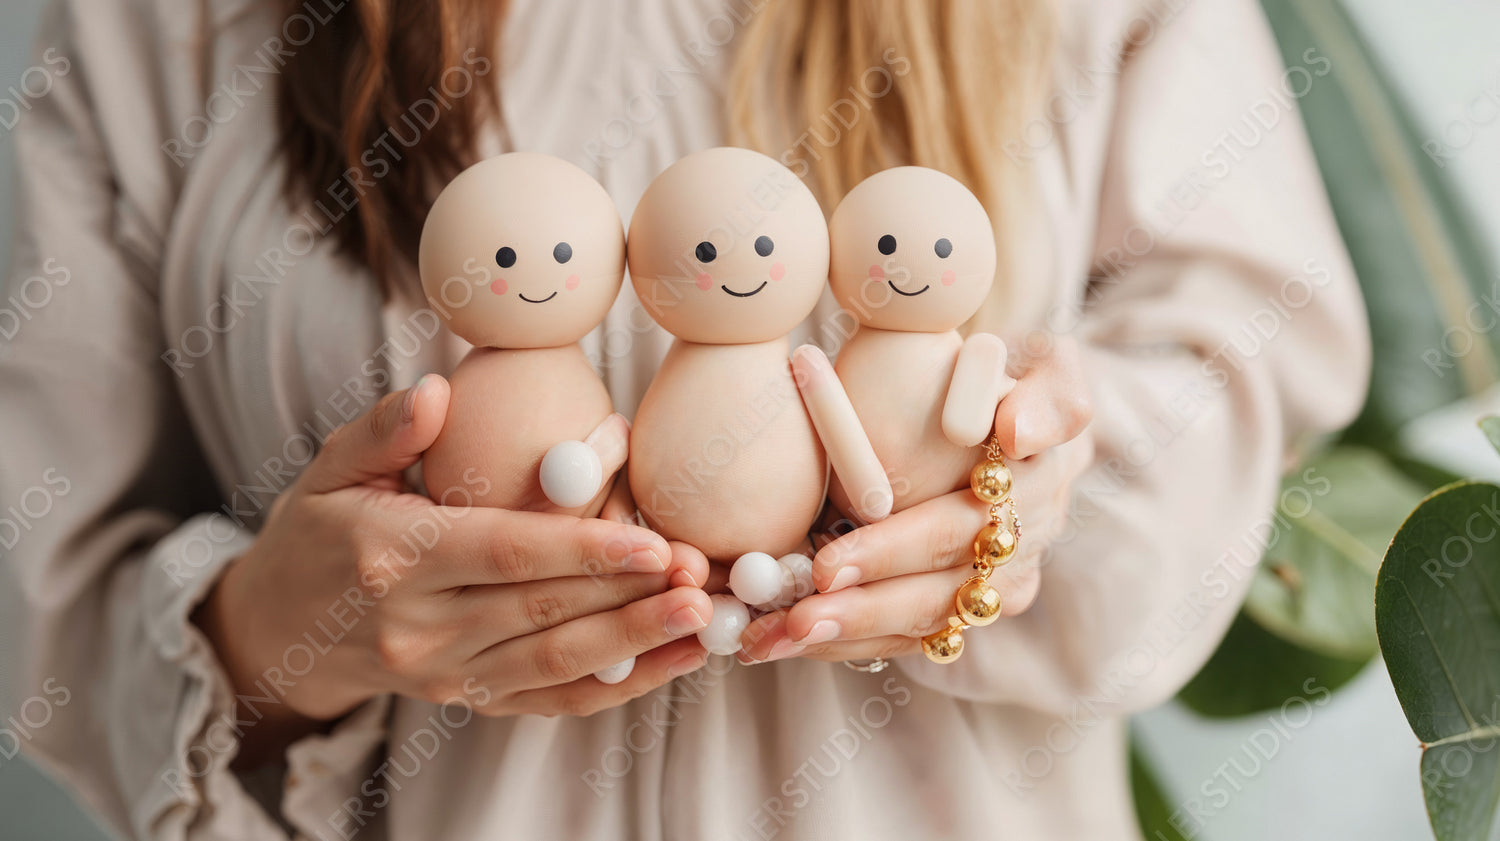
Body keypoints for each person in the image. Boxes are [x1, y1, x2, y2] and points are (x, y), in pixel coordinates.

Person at [0, 0, 1369, 838]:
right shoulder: (165, 26)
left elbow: (1250, 344)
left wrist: (1029, 504)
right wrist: (276, 638)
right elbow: (44, 597)